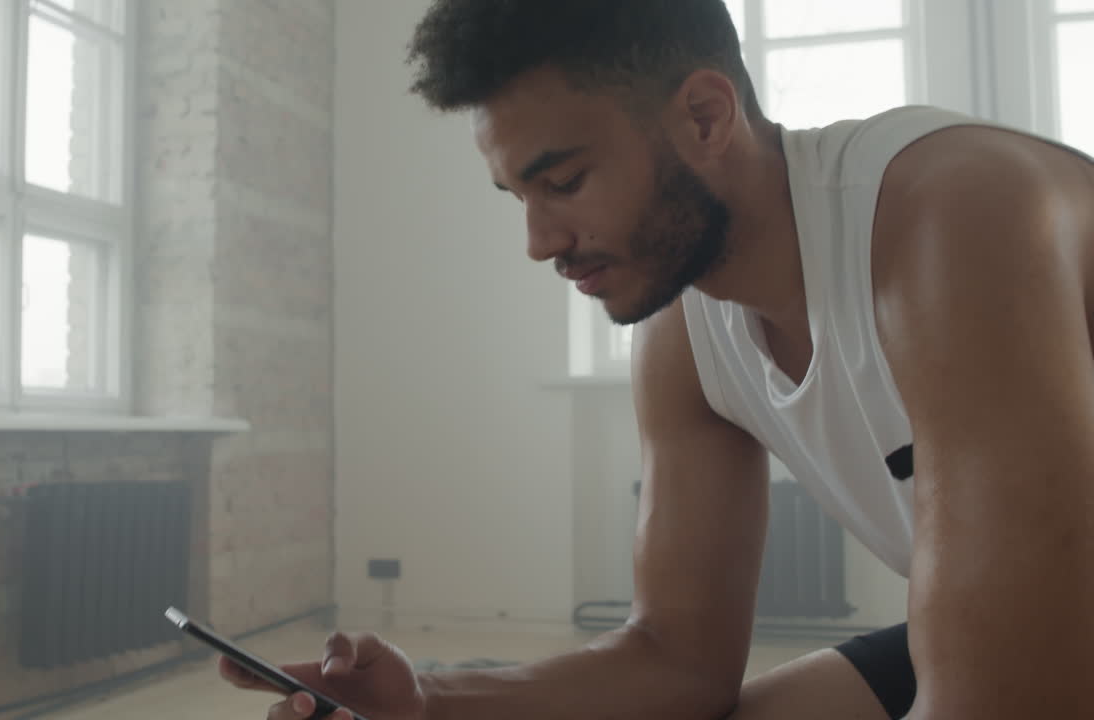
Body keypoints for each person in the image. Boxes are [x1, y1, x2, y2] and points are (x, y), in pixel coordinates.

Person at [222, 1, 1094, 718]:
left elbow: (1014, 699)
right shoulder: (684, 330)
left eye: (562, 183)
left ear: (705, 117)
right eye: (518, 196)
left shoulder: (955, 215)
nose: (539, 241)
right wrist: (428, 700)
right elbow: (677, 663)